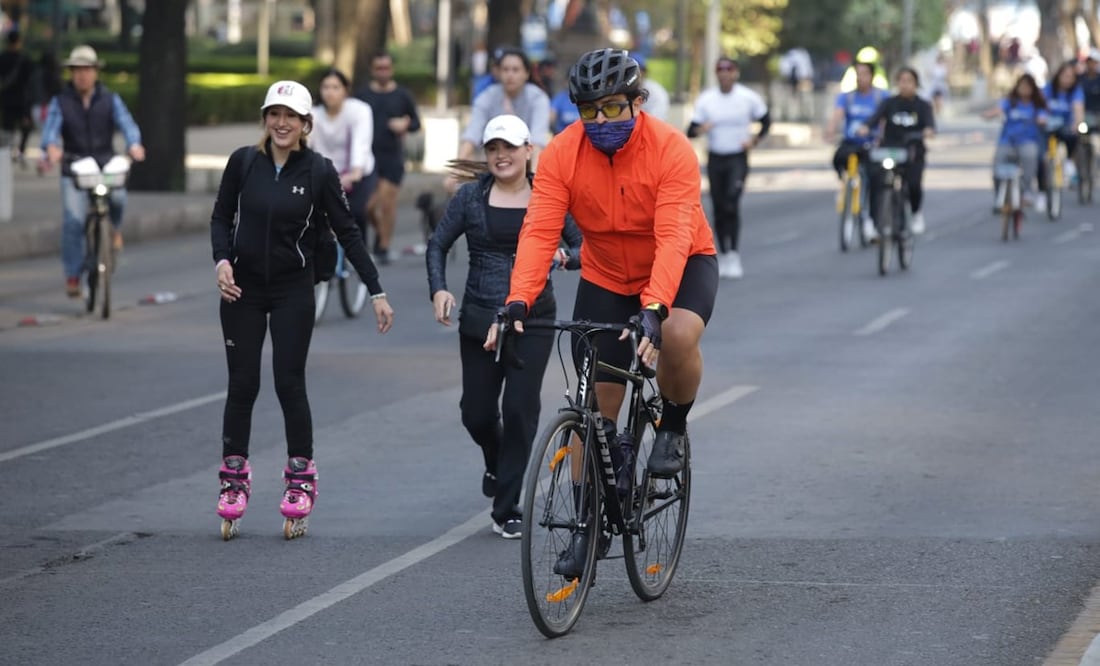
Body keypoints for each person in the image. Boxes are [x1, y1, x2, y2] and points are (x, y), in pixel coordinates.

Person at [486, 48, 718, 577]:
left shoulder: (671, 151)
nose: (601, 121)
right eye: (589, 110)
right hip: (607, 274)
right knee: (595, 412)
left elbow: (674, 233)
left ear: (638, 102)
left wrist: (655, 307)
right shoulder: (565, 153)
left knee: (679, 336)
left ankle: (673, 428)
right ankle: (589, 525)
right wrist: (519, 297)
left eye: (613, 108)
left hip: (679, 266)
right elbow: (541, 228)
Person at [209, 80, 395, 535]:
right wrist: (222, 261)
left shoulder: (318, 171)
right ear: (265, 119)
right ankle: (233, 479)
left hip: (294, 289)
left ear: (306, 124)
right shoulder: (242, 163)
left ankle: (300, 478)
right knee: (243, 384)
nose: (282, 123)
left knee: (289, 383)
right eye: (274, 114)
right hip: (242, 291)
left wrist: (376, 290)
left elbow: (349, 232)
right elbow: (220, 217)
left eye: (291, 116)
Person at [426, 114, 582, 539]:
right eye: (493, 148)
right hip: (479, 314)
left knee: (518, 410)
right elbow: (438, 243)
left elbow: (583, 245)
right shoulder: (470, 198)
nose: (500, 156)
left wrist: (565, 258)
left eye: (509, 148)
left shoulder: (548, 198)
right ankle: (497, 463)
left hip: (532, 317)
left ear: (528, 152)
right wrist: (438, 289)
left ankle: (507, 505)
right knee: (475, 414)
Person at [39, 45, 145, 297]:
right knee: (73, 221)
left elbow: (128, 125)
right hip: (74, 169)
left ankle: (114, 230)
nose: (82, 75)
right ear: (71, 73)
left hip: (104, 165)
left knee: (118, 197)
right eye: (77, 70)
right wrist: (51, 148)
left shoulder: (110, 100)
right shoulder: (61, 102)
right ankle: (73, 276)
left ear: (96, 72)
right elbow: (50, 132)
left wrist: (135, 145)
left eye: (87, 69)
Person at [687, 56, 770, 279]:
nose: (724, 74)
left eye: (729, 69)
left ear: (736, 73)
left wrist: (754, 140)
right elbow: (690, 130)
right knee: (719, 205)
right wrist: (702, 128)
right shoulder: (707, 100)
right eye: (720, 70)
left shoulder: (747, 97)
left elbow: (766, 120)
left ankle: (733, 253)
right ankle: (722, 253)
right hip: (716, 157)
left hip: (737, 157)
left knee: (732, 202)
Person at [447, 47, 550, 191]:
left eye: (515, 70)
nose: (510, 75)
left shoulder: (538, 99)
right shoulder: (486, 97)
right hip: (492, 165)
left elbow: (538, 142)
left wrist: (534, 178)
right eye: (505, 69)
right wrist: (456, 171)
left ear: (526, 73)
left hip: (526, 166)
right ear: (498, 73)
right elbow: (472, 135)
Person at [356, 52, 421, 265]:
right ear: (372, 70)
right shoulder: (362, 96)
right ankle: (381, 233)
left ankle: (383, 245)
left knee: (387, 202)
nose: (383, 71)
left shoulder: (402, 96)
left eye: (386, 68)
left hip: (392, 157)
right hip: (367, 158)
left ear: (391, 69)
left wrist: (405, 125)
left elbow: (416, 123)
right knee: (366, 207)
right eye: (379, 68)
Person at [858, 67, 936, 235]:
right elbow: (874, 119)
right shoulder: (889, 103)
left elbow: (930, 127)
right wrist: (865, 127)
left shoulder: (923, 106)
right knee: (875, 181)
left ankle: (915, 213)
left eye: (909, 81)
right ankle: (872, 221)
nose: (905, 85)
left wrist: (927, 131)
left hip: (913, 152)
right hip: (889, 150)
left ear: (916, 84)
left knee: (914, 184)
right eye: (901, 81)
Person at [825, 60, 889, 241]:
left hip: (872, 144)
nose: (861, 78)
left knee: (875, 179)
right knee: (837, 157)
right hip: (852, 142)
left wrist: (881, 137)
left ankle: (871, 220)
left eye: (865, 74)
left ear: (872, 76)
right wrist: (830, 131)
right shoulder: (847, 97)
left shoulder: (881, 96)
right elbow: (837, 115)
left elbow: (885, 119)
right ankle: (844, 183)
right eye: (858, 74)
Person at [310, 68, 375, 238]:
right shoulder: (313, 114)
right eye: (326, 87)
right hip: (326, 173)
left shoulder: (359, 110)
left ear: (346, 90)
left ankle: (361, 255)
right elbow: (305, 143)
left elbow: (361, 142)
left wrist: (355, 172)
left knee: (356, 213)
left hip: (356, 173)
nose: (330, 92)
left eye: (335, 87)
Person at [982, 73, 1048, 212]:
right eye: (1022, 86)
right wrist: (989, 114)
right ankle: (999, 197)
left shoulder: (1036, 105)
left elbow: (1043, 117)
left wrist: (1042, 121)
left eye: (1027, 87)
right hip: (1007, 141)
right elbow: (998, 109)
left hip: (1027, 141)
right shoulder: (1010, 102)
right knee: (997, 166)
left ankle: (1026, 191)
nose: (1024, 90)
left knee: (1030, 158)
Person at [0, 30, 33, 165]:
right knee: (26, 126)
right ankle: (20, 152)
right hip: (22, 99)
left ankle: (6, 153)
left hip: (6, 98)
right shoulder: (25, 59)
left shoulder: (2, 58)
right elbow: (29, 83)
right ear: (19, 41)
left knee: (8, 128)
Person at [633, 54, 669, 122]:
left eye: (637, 70)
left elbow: (657, 120)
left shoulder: (656, 91)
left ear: (644, 72)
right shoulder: (621, 90)